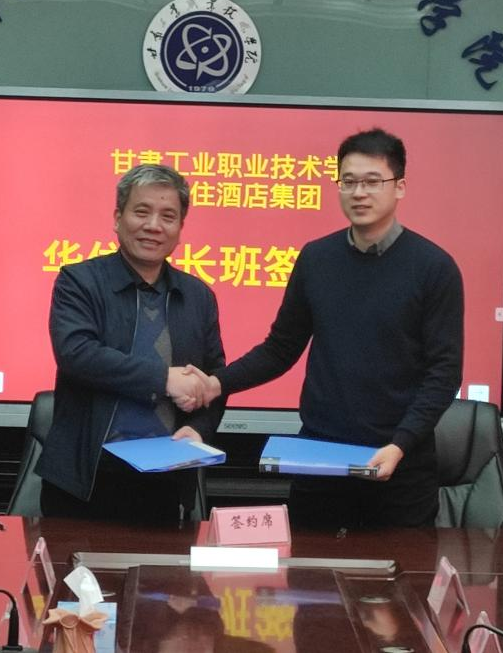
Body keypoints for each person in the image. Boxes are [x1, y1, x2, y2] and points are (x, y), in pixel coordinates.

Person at [190, 128, 464, 529]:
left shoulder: (434, 268)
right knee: (311, 567)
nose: (359, 193)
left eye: (372, 181)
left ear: (400, 187)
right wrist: (217, 383)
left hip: (399, 464)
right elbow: (280, 348)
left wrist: (401, 443)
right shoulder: (317, 259)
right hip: (319, 458)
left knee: (401, 569)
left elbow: (444, 373)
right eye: (348, 181)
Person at [35, 164, 226, 523]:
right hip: (85, 481)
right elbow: (77, 354)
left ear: (180, 228)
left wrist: (200, 428)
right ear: (117, 218)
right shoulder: (80, 281)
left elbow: (215, 379)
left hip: (165, 481)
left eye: (168, 216)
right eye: (142, 211)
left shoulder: (198, 296)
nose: (154, 225)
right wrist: (164, 379)